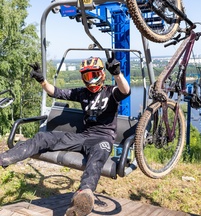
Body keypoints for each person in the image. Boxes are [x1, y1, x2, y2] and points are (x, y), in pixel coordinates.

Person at [0, 56, 131, 216]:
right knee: (43, 138)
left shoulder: (111, 92)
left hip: (103, 139)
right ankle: (5, 158)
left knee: (97, 158)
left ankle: (84, 195)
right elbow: (56, 92)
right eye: (86, 77)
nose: (90, 81)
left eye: (94, 75)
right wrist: (42, 81)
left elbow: (125, 90)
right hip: (83, 136)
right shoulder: (82, 93)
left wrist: (117, 74)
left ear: (102, 75)